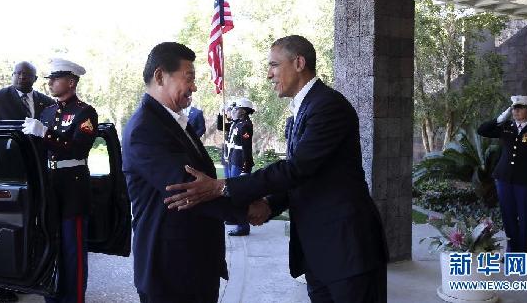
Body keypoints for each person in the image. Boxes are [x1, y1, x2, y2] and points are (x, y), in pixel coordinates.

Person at [164, 35, 389, 303]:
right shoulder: (304, 109)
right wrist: (270, 205)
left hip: (349, 250)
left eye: (273, 65)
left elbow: (296, 168)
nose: (269, 75)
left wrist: (221, 187)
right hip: (320, 253)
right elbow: (306, 177)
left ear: (298, 63)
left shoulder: (328, 106)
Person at [121, 42, 267, 303]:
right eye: (189, 78)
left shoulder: (172, 121)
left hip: (193, 263)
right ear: (160, 76)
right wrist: (249, 209)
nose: (194, 87)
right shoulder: (146, 128)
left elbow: (205, 183)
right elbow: (189, 189)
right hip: (170, 271)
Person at [20, 58, 98, 303]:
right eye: (50, 79)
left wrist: (45, 133)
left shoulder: (85, 112)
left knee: (72, 252)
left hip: (73, 189)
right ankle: (53, 297)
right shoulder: (48, 111)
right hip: (50, 187)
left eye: (56, 78)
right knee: (52, 248)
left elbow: (77, 149)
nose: (51, 83)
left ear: (71, 82)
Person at [0, 62, 54, 303]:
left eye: (26, 74)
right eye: (17, 73)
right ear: (12, 76)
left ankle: (31, 272)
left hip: (38, 173)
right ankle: (3, 284)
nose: (21, 77)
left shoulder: (46, 102)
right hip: (7, 174)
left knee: (36, 223)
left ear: (35, 77)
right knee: (5, 226)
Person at [477, 96, 527, 259]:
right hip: (503, 179)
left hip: (525, 181)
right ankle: (511, 252)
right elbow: (482, 130)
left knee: (525, 217)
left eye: (520, 108)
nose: (516, 111)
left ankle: (523, 255)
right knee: (508, 216)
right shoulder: (506, 127)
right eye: (514, 108)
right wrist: (500, 117)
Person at [226, 97, 255, 236]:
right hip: (233, 160)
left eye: (236, 109)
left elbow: (246, 149)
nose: (233, 111)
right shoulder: (237, 123)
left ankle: (243, 226)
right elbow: (223, 125)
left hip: (240, 162)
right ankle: (235, 218)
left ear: (243, 111)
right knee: (232, 193)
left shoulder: (246, 126)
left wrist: (245, 168)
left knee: (240, 195)